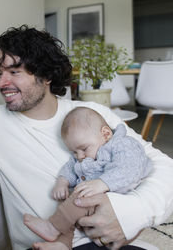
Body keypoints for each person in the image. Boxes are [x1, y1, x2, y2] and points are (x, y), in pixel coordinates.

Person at [0, 25, 173, 250]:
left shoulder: (92, 114)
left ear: (46, 76)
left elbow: (160, 165)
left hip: (109, 237)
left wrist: (132, 214)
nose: (2, 83)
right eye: (0, 73)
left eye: (14, 72)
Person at [23, 107, 153, 249]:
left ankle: (52, 226)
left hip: (119, 210)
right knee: (67, 204)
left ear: (106, 134)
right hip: (92, 215)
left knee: (78, 200)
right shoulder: (84, 156)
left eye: (84, 149)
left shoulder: (122, 144)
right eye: (74, 152)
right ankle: (62, 244)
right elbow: (71, 167)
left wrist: (102, 183)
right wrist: (62, 182)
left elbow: (129, 168)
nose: (79, 156)